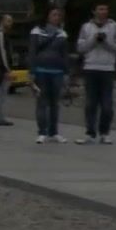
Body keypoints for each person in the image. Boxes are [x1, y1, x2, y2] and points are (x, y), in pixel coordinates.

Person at [76, 3, 116, 145]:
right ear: (94, 11)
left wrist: (106, 42)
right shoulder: (86, 27)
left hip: (107, 69)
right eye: (101, 9)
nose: (104, 11)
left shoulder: (114, 26)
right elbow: (80, 48)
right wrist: (94, 40)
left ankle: (105, 133)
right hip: (91, 68)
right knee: (90, 104)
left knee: (107, 105)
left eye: (106, 9)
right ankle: (90, 134)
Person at [29, 8, 71, 144]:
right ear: (47, 16)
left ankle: (54, 132)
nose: (56, 17)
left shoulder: (62, 33)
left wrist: (66, 72)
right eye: (54, 14)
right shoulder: (37, 31)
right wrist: (31, 71)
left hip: (57, 72)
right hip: (41, 71)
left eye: (59, 15)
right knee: (42, 102)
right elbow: (32, 52)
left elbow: (65, 54)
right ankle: (42, 132)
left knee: (54, 103)